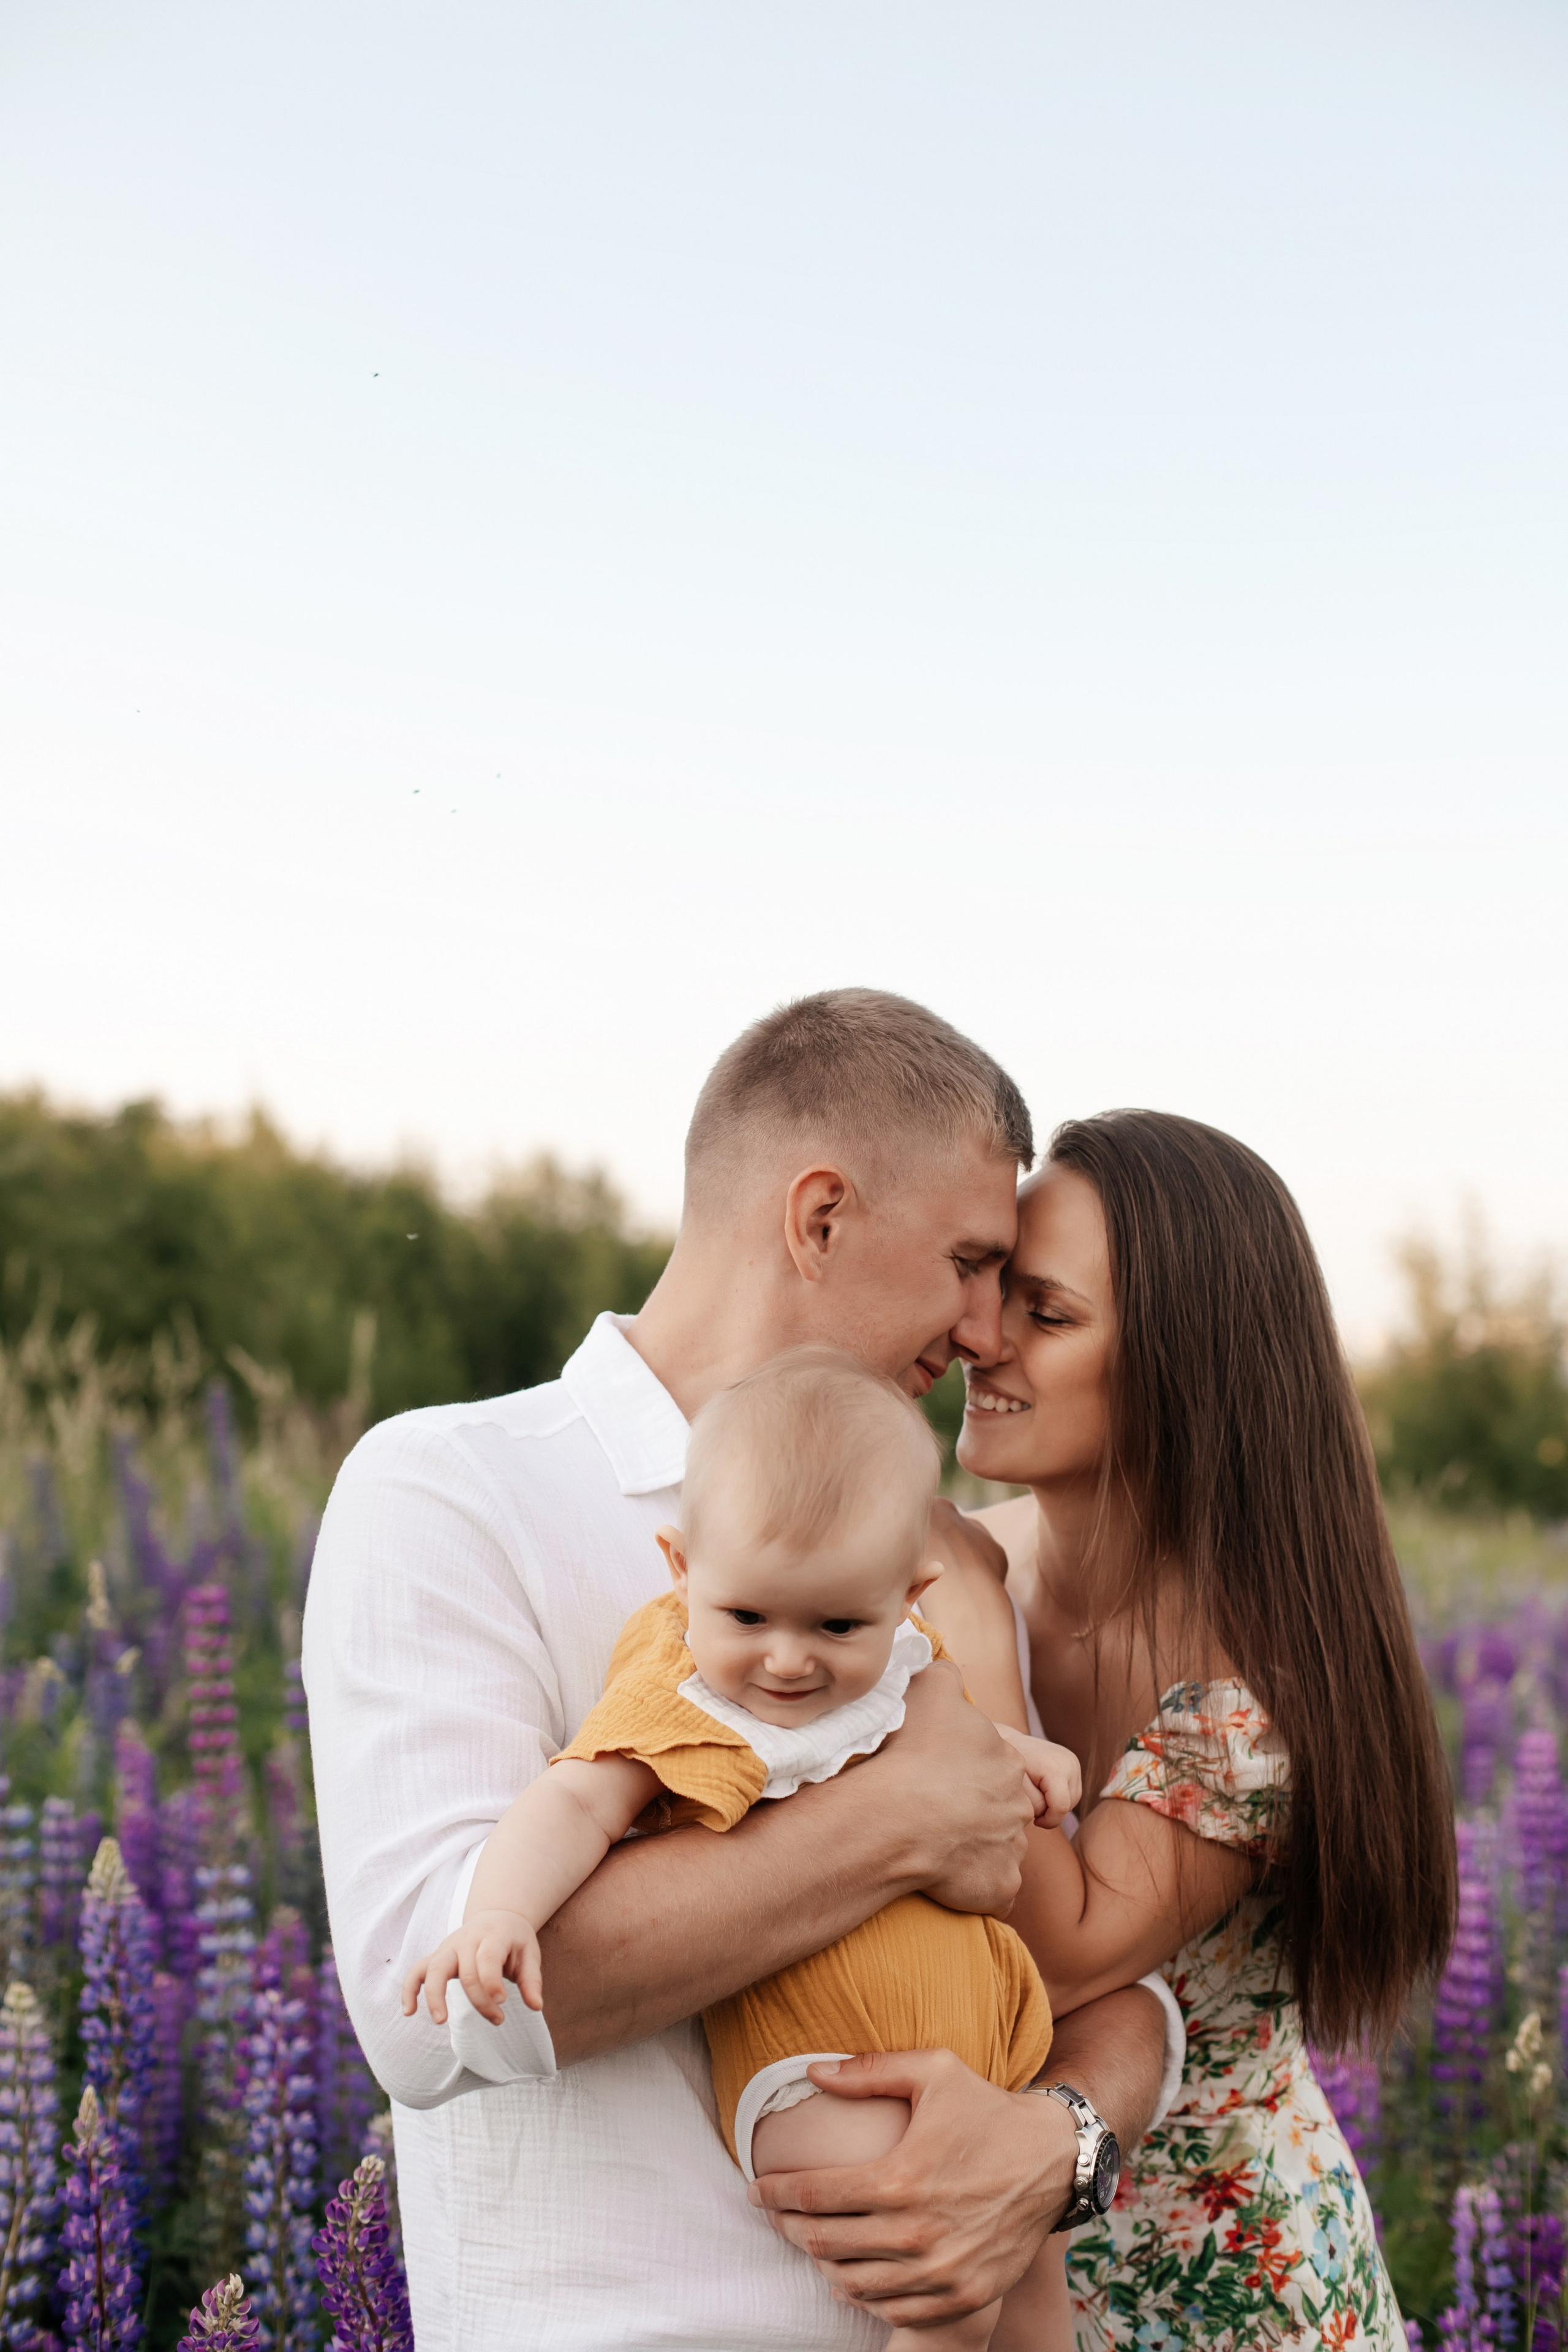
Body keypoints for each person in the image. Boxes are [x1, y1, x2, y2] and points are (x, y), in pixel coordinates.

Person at [302, 990, 1180, 2352]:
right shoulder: (454, 1488)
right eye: (966, 1262)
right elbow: (428, 2013)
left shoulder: (930, 1556)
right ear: (818, 1218)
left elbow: (1085, 1979)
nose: (983, 1331)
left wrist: (1055, 2144)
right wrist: (893, 1818)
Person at [402, 1347, 1081, 2352]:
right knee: (948, 2279)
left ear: (910, 1594)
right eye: (748, 1615)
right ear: (683, 1572)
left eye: (837, 1624)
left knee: (1034, 2270)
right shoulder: (691, 1686)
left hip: (974, 2045)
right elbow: (578, 1800)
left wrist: (1025, 1756)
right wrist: (500, 1913)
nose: (789, 1658)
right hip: (825, 2069)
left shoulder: (898, 1659)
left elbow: (949, 1739)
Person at [921, 1109, 1456, 2351]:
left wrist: (975, 1641)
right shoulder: (967, 1563)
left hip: (1223, 2291)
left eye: (1047, 1314)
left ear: (1180, 1365)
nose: (979, 1337)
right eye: (993, 1290)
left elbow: (1049, 1956)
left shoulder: (1250, 1686)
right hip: (992, 2274)